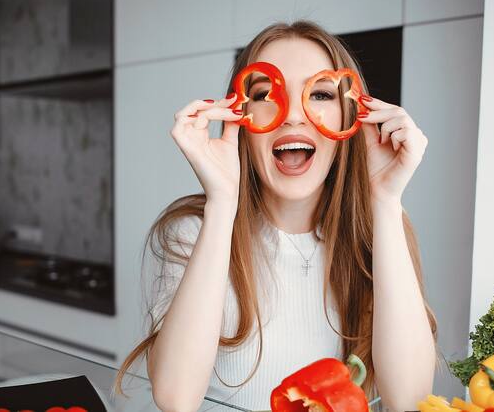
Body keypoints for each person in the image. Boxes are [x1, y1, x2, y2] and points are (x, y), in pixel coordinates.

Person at [115, 20, 437, 412]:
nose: (293, 116)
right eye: (266, 94)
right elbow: (175, 398)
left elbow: (408, 400)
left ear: (351, 118)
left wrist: (385, 202)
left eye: (319, 94)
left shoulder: (381, 232)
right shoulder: (191, 231)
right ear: (241, 119)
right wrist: (221, 202)